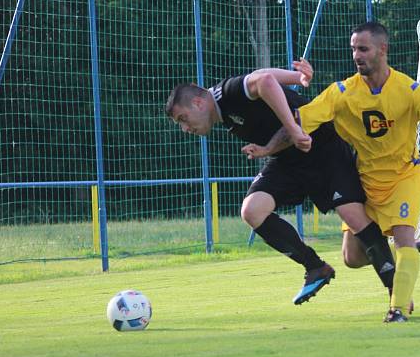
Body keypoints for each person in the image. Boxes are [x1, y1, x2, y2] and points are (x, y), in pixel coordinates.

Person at [165, 59, 397, 305]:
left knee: (353, 227)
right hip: (287, 161)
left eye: (183, 118)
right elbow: (262, 74)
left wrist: (294, 129)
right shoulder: (222, 109)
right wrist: (296, 78)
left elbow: (264, 81)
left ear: (198, 103)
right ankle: (316, 267)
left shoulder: (228, 93)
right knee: (252, 211)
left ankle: (397, 293)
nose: (185, 128)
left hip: (324, 151)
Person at [294, 21, 420, 322]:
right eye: (353, 49)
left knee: (403, 238)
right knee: (352, 258)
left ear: (382, 49)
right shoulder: (342, 93)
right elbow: (299, 120)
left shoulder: (410, 90)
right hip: (365, 181)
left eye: (363, 48)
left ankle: (397, 309)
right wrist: (267, 145)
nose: (357, 55)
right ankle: (405, 259)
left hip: (404, 176)